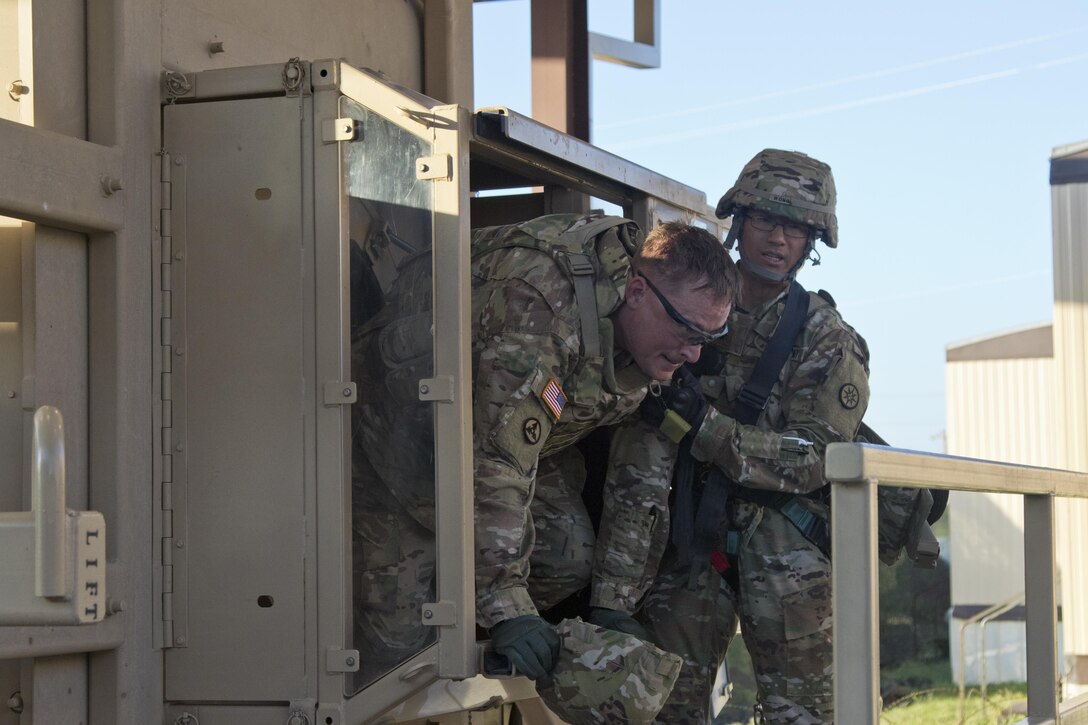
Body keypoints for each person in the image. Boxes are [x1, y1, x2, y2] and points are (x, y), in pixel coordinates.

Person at [351, 213, 739, 686]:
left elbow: (639, 477)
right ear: (637, 293)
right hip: (393, 428)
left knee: (567, 554)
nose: (694, 354)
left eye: (708, 337)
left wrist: (612, 603)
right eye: (688, 331)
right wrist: (505, 606)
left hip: (491, 439)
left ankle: (472, 605)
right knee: (396, 646)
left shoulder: (651, 345)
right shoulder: (543, 311)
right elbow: (496, 461)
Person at [593, 149, 870, 724]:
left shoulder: (827, 337)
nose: (777, 238)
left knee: (805, 714)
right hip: (687, 539)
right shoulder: (682, 301)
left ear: (812, 240)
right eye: (767, 219)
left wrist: (706, 426)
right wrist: (611, 597)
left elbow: (814, 459)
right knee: (664, 707)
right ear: (740, 221)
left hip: (785, 550)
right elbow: (640, 446)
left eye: (795, 226)